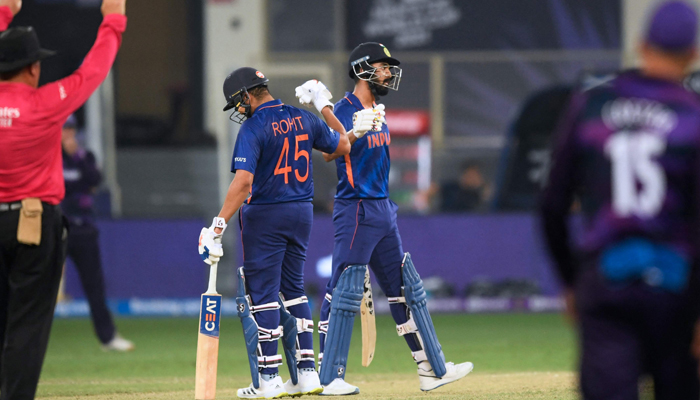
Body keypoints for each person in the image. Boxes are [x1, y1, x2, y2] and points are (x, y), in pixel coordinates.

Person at [540, 1, 700, 399]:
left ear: (642, 45)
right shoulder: (693, 115)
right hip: (675, 285)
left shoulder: (592, 105)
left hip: (607, 277)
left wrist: (570, 280)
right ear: (693, 53)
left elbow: (552, 203)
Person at [197, 67, 371, 399]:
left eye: (237, 102)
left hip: (266, 213)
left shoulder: (254, 126)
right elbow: (344, 145)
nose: (238, 109)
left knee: (262, 294)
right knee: (294, 289)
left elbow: (244, 182)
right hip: (302, 211)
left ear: (248, 95)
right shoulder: (302, 117)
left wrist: (217, 225)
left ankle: (269, 378)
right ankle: (307, 373)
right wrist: (326, 108)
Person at [313, 42, 473, 395]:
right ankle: (327, 376)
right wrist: (353, 131)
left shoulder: (378, 109)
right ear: (362, 70)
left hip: (382, 208)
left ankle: (431, 368)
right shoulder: (343, 108)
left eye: (388, 67)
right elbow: (327, 153)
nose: (388, 73)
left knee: (406, 290)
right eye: (382, 67)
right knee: (343, 290)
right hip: (356, 208)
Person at [0, 0, 127, 398]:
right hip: (33, 224)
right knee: (27, 325)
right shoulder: (45, 105)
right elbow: (93, 70)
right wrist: (114, 21)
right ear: (34, 68)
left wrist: (3, 12)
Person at [61, 115, 134, 352]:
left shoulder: (84, 156)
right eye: (64, 129)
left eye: (71, 129)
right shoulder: (49, 157)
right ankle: (25, 342)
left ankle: (108, 337)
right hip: (56, 227)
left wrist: (77, 158)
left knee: (94, 285)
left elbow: (94, 181)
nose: (68, 134)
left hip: (83, 228)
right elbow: (64, 188)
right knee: (40, 288)